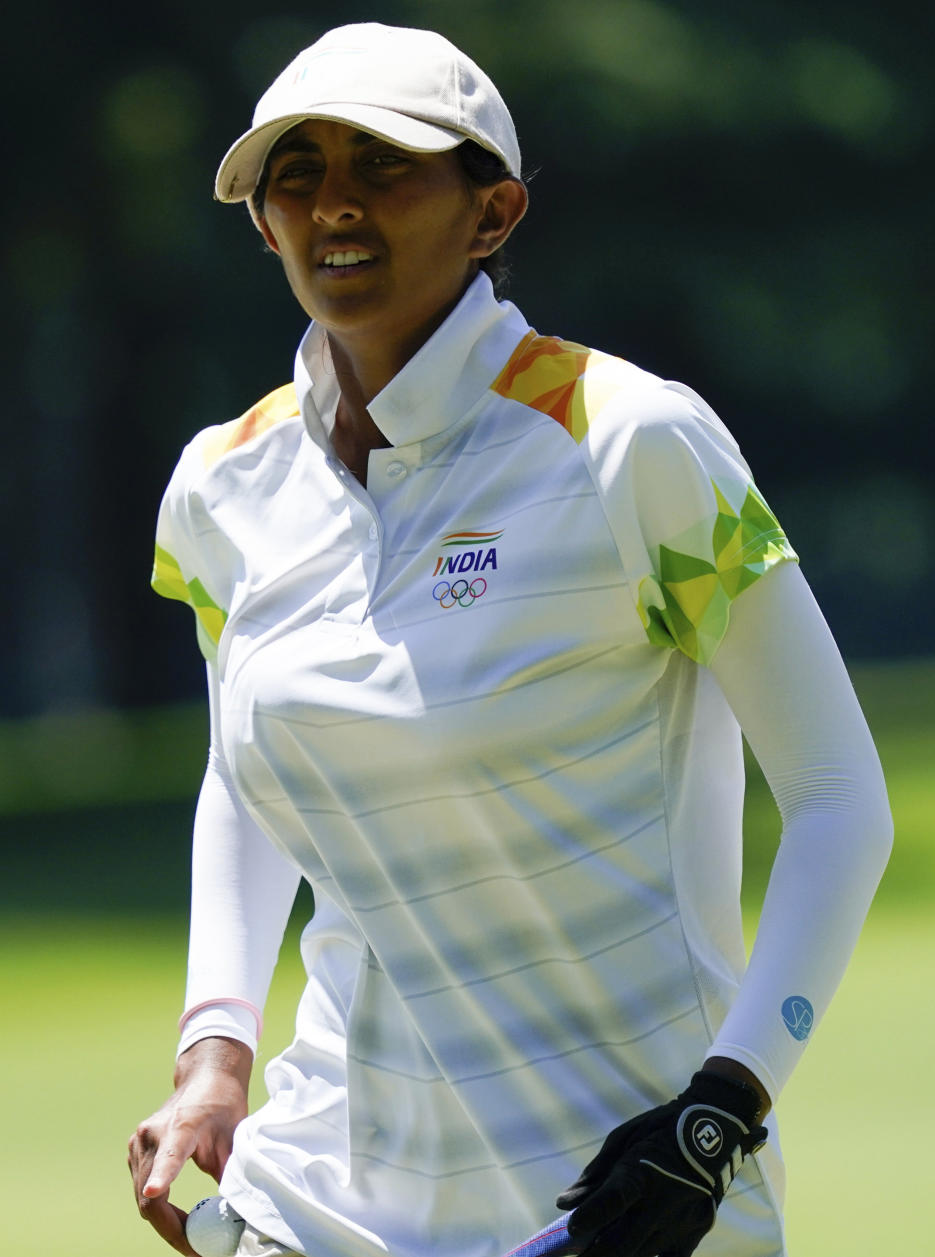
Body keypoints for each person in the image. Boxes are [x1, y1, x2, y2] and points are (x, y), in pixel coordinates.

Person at [128, 21, 893, 1257]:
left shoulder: (628, 438)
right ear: (262, 219)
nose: (335, 205)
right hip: (318, 1199)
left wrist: (723, 1110)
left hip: (632, 1199)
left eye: (385, 167)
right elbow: (250, 772)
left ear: (493, 215)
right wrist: (214, 1050)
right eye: (297, 172)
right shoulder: (223, 483)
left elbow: (839, 798)